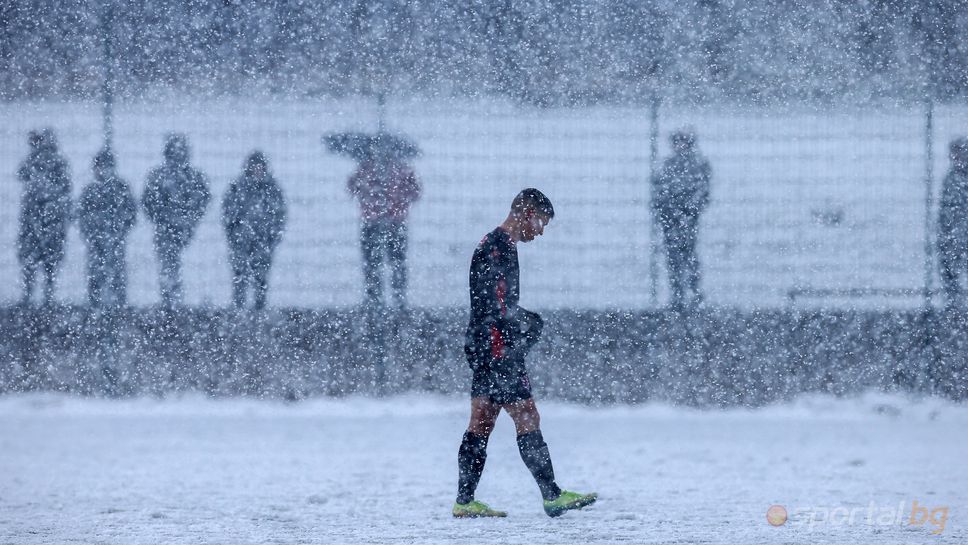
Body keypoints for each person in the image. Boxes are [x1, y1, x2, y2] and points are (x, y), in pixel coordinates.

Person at [454, 188, 597, 518]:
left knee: (481, 421)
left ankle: (464, 501)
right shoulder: (497, 247)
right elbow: (496, 305)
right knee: (526, 415)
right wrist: (523, 324)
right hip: (496, 348)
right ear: (528, 213)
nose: (541, 231)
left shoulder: (496, 245)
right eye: (542, 222)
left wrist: (519, 321)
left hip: (485, 345)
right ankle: (552, 495)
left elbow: (495, 304)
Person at [142, 134, 210, 308]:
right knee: (168, 267)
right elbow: (148, 202)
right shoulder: (158, 177)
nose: (177, 159)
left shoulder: (194, 178)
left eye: (180, 154)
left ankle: (175, 301)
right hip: (167, 230)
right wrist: (165, 218)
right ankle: (170, 300)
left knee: (174, 267)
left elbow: (202, 200)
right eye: (174, 154)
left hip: (184, 230)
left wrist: (188, 219)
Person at [346, 157, 420, 311]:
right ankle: (394, 300)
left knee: (378, 263)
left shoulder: (366, 168)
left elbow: (352, 189)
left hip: (378, 222)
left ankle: (378, 300)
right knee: (392, 263)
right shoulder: (402, 169)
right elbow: (415, 193)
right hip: (391, 223)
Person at [652, 128, 712, 310]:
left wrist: (687, 211)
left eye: (682, 142)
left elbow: (702, 194)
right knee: (673, 257)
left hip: (687, 218)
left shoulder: (698, 165)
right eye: (676, 142)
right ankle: (677, 295)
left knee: (687, 254)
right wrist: (664, 209)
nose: (678, 146)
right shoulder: (669, 164)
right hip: (670, 218)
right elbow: (660, 191)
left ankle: (693, 292)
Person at [221, 151, 287, 310]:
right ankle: (238, 308)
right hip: (240, 241)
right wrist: (234, 235)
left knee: (261, 278)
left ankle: (259, 308)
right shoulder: (237, 187)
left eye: (260, 167)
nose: (257, 170)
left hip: (263, 241)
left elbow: (280, 215)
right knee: (240, 276)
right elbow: (227, 213)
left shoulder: (272, 189)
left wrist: (272, 237)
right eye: (254, 166)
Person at [17, 128, 72, 306]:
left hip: (47, 219)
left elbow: (64, 187)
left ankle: (41, 297)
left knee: (44, 261)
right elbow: (22, 174)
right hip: (38, 219)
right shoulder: (38, 161)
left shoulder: (54, 163)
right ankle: (37, 297)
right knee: (38, 261)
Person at [78, 148, 137, 308]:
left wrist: (119, 230)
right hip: (96, 241)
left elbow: (131, 213)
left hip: (115, 239)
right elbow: (81, 215)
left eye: (106, 166)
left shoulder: (121, 188)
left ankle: (118, 306)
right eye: (100, 167)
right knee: (96, 274)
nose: (103, 171)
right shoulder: (90, 191)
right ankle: (95, 306)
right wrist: (91, 233)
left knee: (116, 273)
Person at [938, 137, 968, 308]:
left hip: (957, 237)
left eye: (960, 152)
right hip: (953, 238)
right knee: (950, 275)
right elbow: (946, 212)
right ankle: (953, 307)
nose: (955, 157)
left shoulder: (955, 179)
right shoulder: (951, 178)